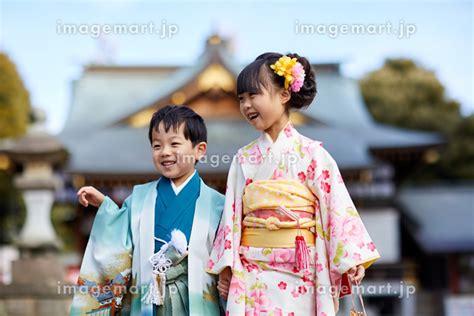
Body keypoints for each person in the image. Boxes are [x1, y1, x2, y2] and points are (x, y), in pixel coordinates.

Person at [207, 53, 381, 315]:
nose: (246, 105)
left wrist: (351, 258)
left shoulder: (314, 154)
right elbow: (232, 218)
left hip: (304, 271)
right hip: (253, 272)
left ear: (284, 95)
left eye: (254, 95)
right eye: (241, 98)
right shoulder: (244, 158)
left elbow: (336, 209)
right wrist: (226, 265)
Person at [70, 105, 224, 316]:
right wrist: (106, 207)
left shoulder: (218, 204)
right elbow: (119, 238)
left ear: (199, 150)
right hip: (147, 299)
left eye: (174, 143)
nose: (165, 152)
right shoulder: (139, 198)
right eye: (157, 145)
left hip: (196, 302)